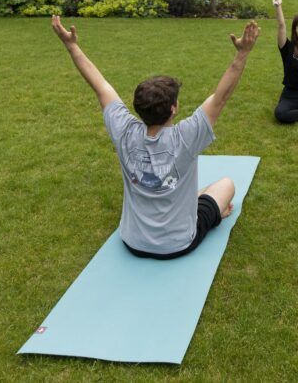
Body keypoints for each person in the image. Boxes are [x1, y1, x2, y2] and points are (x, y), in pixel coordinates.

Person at [51, 15, 260, 259]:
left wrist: (71, 45)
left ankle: (201, 204)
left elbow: (100, 85)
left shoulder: (124, 131)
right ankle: (209, 210)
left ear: (138, 107)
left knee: (200, 193)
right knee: (226, 185)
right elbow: (220, 97)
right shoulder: (187, 136)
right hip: (178, 244)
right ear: (174, 109)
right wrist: (243, 53)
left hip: (133, 241)